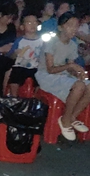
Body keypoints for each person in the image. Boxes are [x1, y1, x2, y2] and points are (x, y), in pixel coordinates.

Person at [35, 12, 90, 141]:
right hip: (46, 75)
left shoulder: (72, 44)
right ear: (60, 27)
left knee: (87, 85)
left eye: (76, 25)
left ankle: (72, 117)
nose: (74, 29)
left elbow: (70, 66)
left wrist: (78, 73)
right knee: (79, 86)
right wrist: (70, 67)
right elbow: (50, 69)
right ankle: (65, 120)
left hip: (62, 74)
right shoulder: (52, 42)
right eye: (70, 25)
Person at [7, 11, 44, 96]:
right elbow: (10, 55)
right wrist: (15, 53)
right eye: (29, 23)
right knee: (15, 77)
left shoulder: (42, 41)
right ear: (22, 27)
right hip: (21, 66)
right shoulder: (19, 41)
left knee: (40, 79)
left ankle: (35, 98)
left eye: (35, 22)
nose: (32, 25)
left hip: (36, 67)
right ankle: (14, 97)